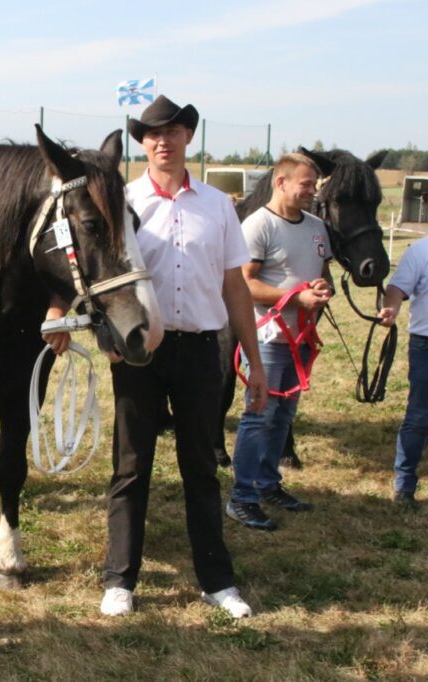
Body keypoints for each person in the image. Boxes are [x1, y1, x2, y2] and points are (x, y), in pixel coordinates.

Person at [99, 96, 267, 620]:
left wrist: (255, 363)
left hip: (200, 350)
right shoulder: (122, 203)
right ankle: (120, 580)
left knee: (200, 466)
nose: (162, 141)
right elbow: (104, 283)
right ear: (141, 143)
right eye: (152, 134)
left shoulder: (217, 206)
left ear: (188, 137)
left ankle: (217, 581)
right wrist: (109, 338)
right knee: (131, 468)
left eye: (172, 131)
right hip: (139, 355)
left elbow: (234, 286)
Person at [225, 154, 333, 530]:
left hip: (301, 338)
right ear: (281, 182)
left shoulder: (317, 227)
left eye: (314, 184)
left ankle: (268, 484)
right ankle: (241, 497)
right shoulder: (258, 226)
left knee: (283, 415)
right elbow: (244, 284)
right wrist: (293, 298)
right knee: (259, 415)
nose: (312, 191)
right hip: (268, 337)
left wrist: (321, 288)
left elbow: (322, 271)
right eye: (306, 184)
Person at [378, 230, 428, 506]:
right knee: (419, 418)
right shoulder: (423, 250)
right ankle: (404, 486)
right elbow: (397, 288)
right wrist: (391, 309)